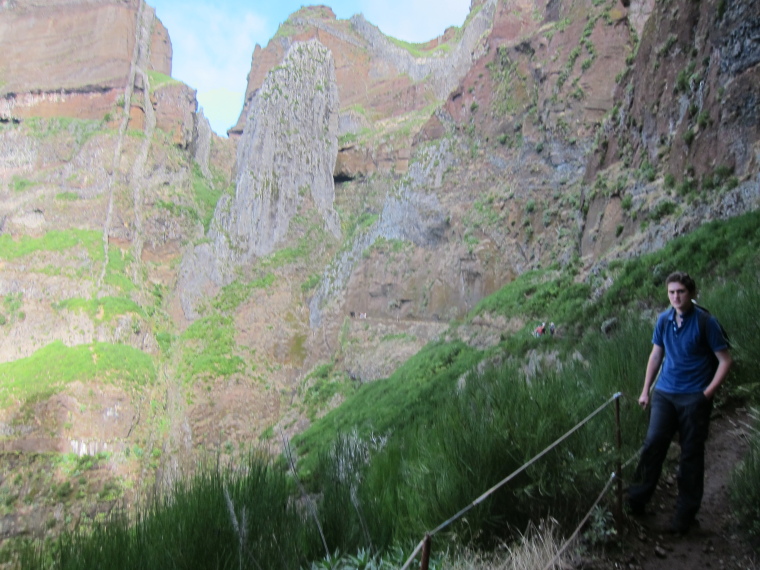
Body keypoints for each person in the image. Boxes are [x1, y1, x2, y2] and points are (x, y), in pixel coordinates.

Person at [627, 271, 732, 534]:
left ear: (692, 293)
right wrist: (645, 391)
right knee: (653, 444)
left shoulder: (706, 322)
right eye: (671, 292)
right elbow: (656, 356)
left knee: (691, 455)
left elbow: (725, 360)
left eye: (681, 292)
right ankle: (635, 502)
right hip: (665, 392)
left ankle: (684, 517)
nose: (676, 296)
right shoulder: (663, 319)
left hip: (694, 397)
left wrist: (707, 394)